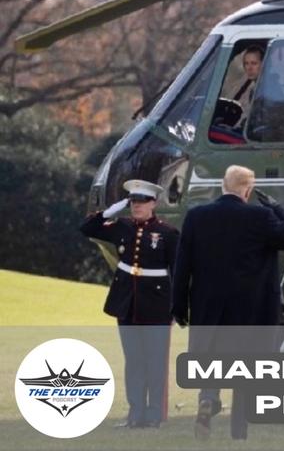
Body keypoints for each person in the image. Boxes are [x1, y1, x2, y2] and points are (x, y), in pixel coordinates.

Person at [171, 165, 284, 440]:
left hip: (209, 307)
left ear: (223, 185)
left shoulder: (197, 216)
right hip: (249, 309)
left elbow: (182, 265)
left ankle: (208, 399)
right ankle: (239, 431)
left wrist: (179, 307)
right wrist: (277, 208)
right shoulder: (260, 216)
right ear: (248, 190)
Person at [80, 180, 179, 429]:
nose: (137, 206)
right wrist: (111, 210)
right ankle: (135, 414)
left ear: (153, 203)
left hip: (156, 305)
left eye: (142, 202)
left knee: (155, 362)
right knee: (133, 360)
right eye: (133, 201)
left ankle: (154, 415)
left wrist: (177, 306)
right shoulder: (121, 226)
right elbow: (87, 228)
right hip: (127, 303)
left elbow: (177, 272)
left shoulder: (167, 233)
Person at [232, 45, 264, 128]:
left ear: (263, 64)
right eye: (246, 63)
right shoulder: (256, 89)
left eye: (254, 63)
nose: (249, 68)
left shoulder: (266, 89)